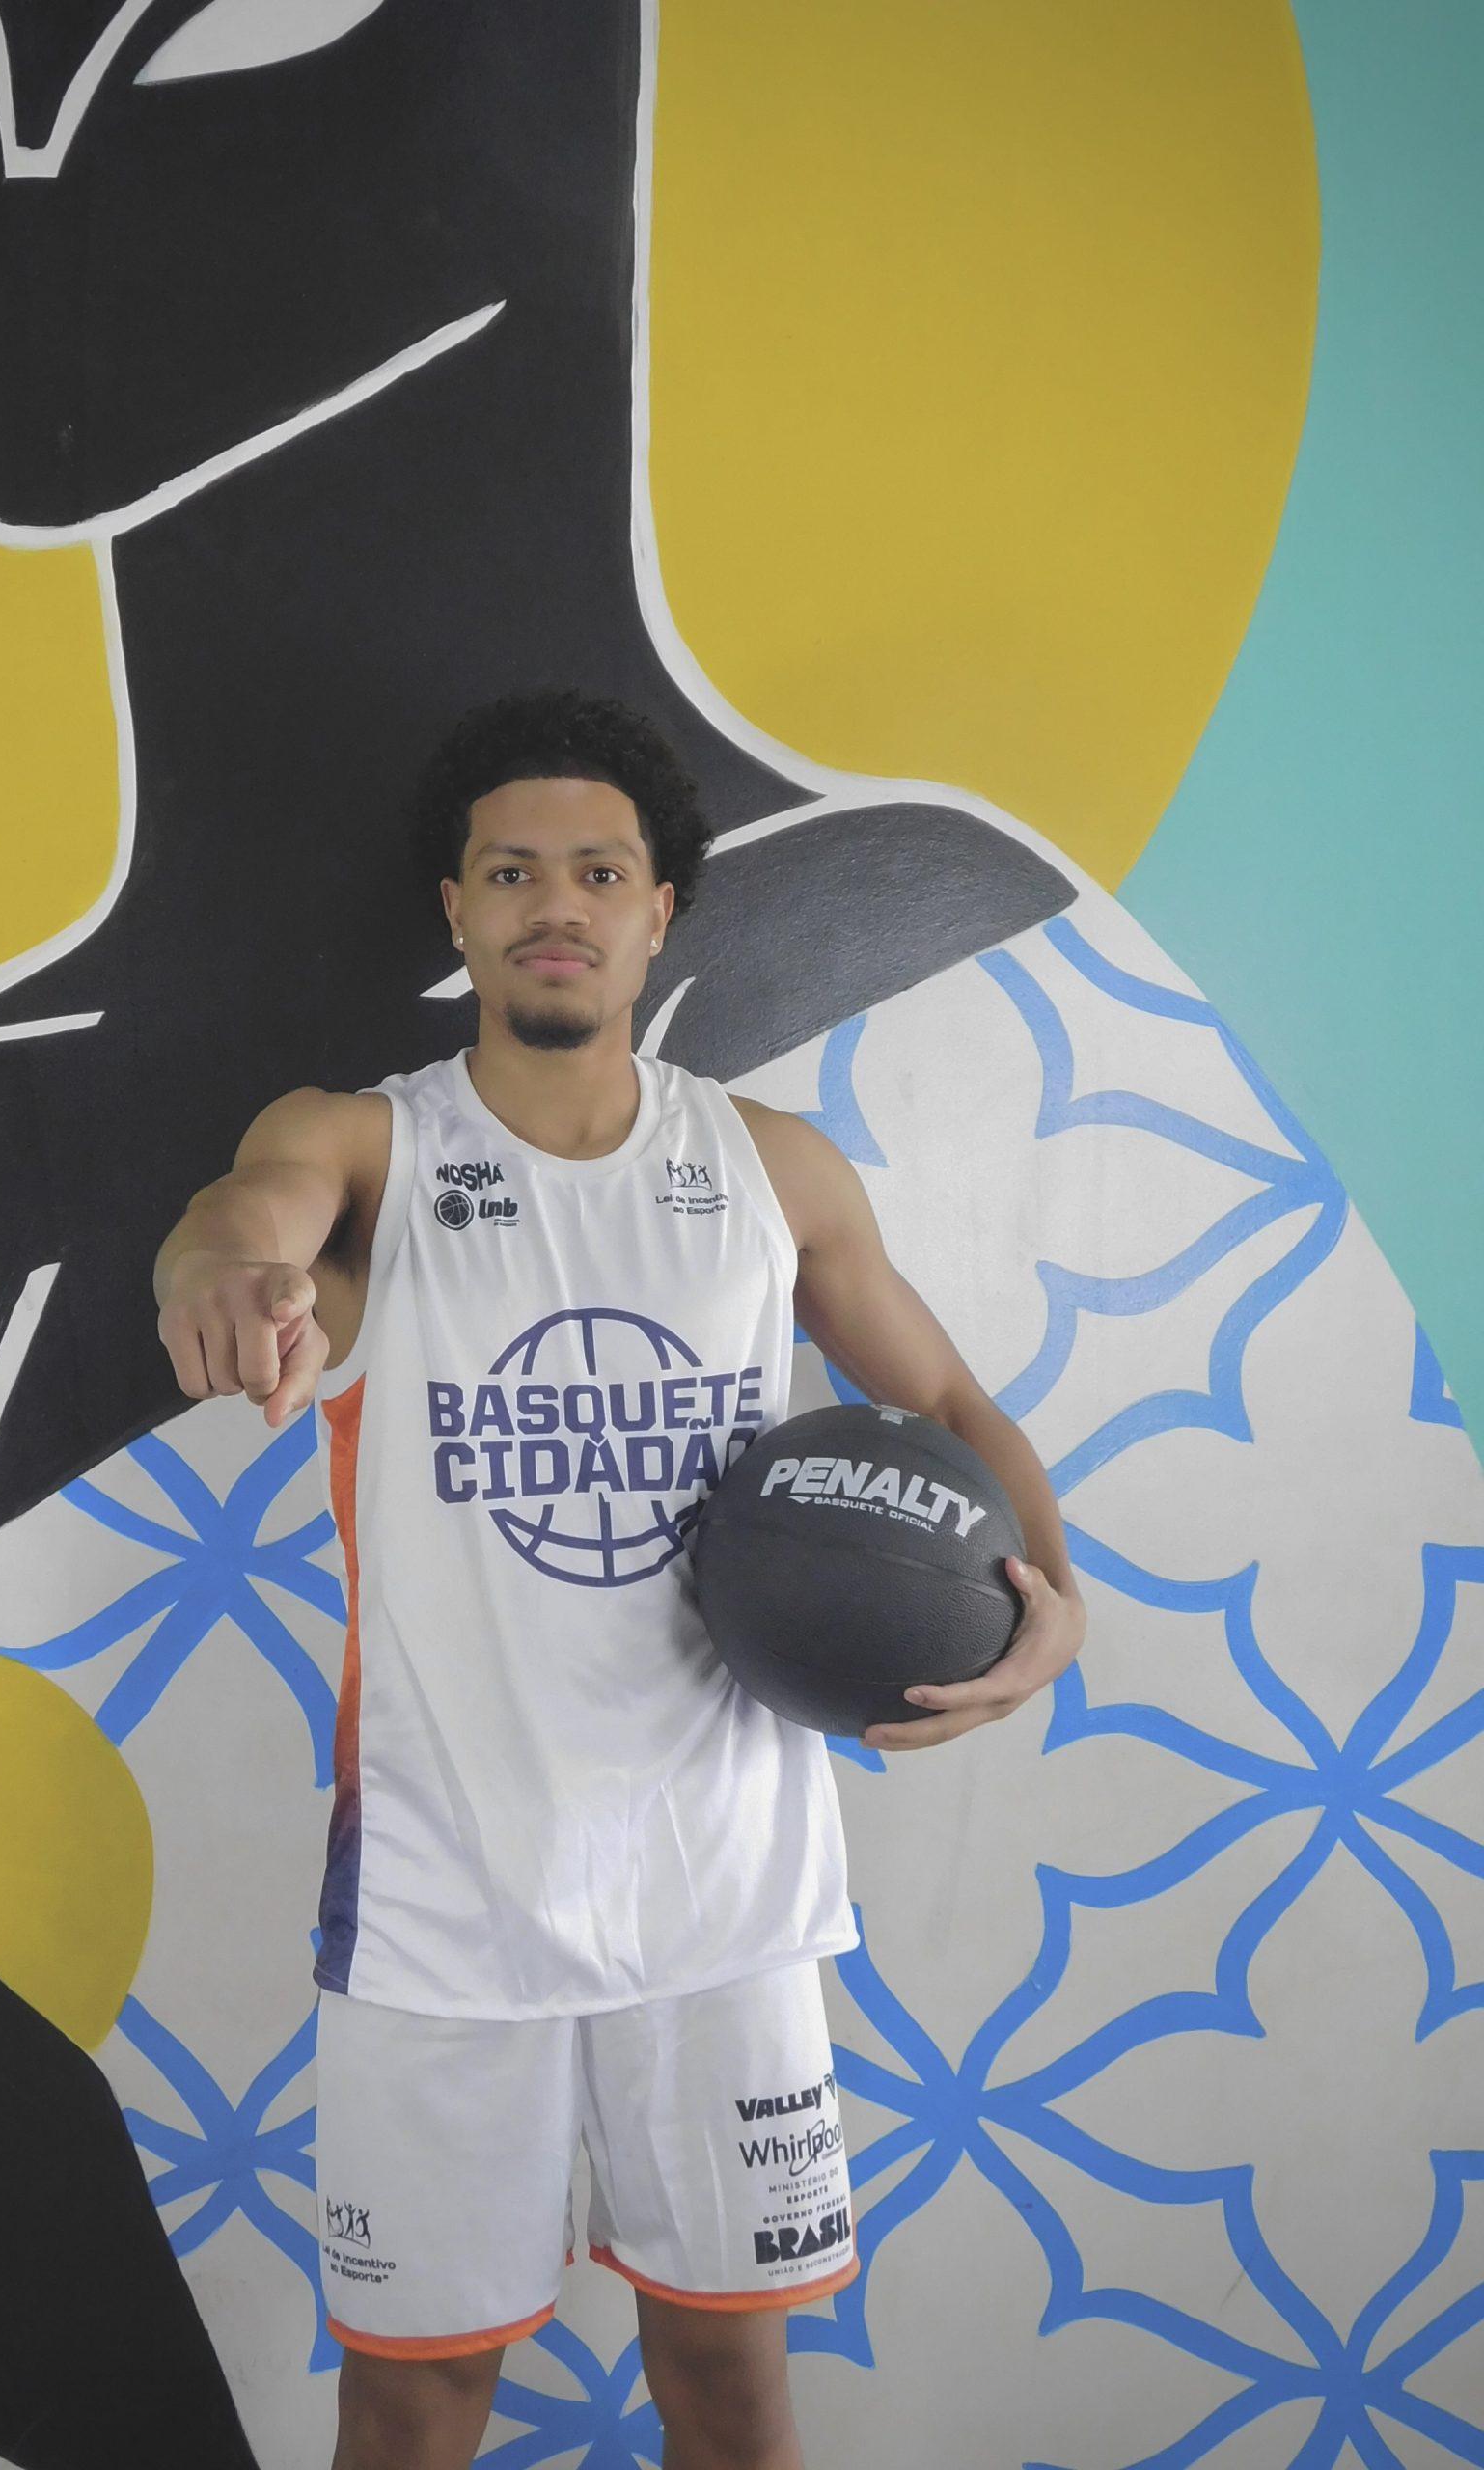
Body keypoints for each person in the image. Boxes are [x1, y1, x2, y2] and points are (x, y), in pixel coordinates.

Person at [152, 689, 1086, 2470]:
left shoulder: (769, 1166)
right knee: (415, 2400)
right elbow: (248, 1210)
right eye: (512, 872)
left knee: (730, 2388)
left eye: (598, 871)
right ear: (458, 909)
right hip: (441, 1898)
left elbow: (953, 1407)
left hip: (723, 1890)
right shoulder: (371, 1146)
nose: (554, 904)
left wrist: (1057, 1601)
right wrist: (222, 1276)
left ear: (660, 911)